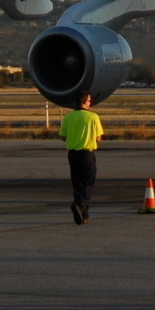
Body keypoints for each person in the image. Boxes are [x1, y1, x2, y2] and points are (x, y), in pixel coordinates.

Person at [59, 92, 104, 225]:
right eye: (89, 101)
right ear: (84, 102)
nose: (90, 103)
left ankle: (83, 215)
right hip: (87, 154)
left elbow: (63, 136)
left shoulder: (68, 117)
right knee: (88, 183)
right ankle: (79, 204)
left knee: (77, 183)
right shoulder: (93, 117)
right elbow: (98, 137)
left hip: (73, 154)